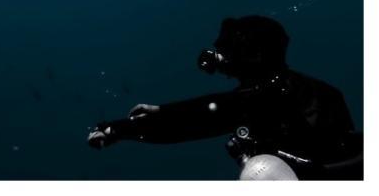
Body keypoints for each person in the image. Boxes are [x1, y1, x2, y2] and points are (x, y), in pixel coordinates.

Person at [87, 16, 362, 180]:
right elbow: (218, 108)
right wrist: (163, 111)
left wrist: (119, 129)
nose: (221, 58)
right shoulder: (319, 90)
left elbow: (203, 117)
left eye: (232, 49)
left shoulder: (262, 97)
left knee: (260, 170)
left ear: (254, 54)